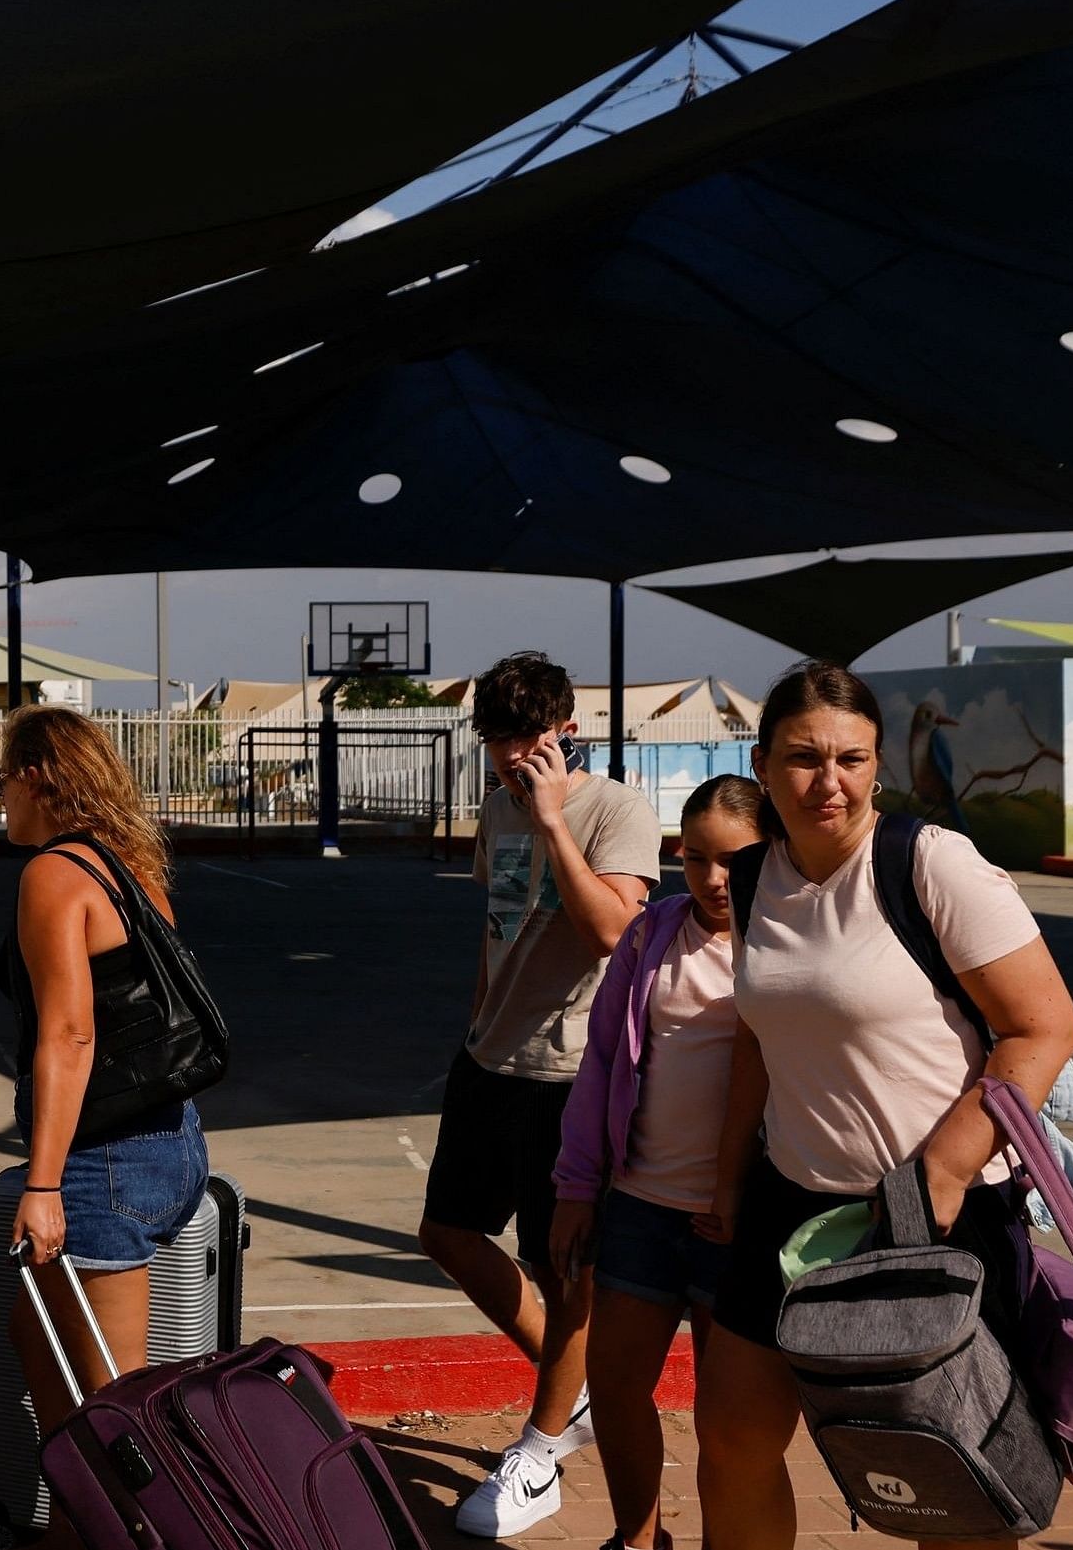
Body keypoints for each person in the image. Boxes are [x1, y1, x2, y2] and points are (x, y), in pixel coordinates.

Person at [698, 660, 1073, 1550]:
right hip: (791, 1203)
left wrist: (940, 1172)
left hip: (934, 1214)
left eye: (851, 758)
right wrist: (727, 1183)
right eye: (803, 757)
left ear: (878, 765)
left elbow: (1045, 1026)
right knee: (732, 1436)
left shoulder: (930, 863)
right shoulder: (754, 880)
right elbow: (759, 1037)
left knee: (950, 1477)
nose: (827, 780)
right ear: (761, 765)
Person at [422, 651, 664, 1541]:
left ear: (565, 730)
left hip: (572, 1075)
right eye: (497, 740)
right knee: (445, 1231)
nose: (512, 757)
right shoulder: (494, 807)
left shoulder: (615, 810)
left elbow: (612, 930)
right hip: (490, 1059)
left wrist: (557, 819)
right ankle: (577, 1387)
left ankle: (541, 1446)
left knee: (568, 1272)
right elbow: (499, 920)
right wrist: (478, 1012)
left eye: (528, 737)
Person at [0, 705, 212, 1508]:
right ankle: (73, 1527)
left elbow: (71, 1035)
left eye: (2, 777)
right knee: (35, 1333)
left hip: (104, 1161)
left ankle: (137, 1526)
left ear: (39, 776)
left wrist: (43, 1183)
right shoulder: (128, 863)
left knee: (117, 1404)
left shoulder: (53, 873)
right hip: (169, 1140)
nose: (0, 794)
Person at [546, 774, 766, 1550]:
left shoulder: (794, 942)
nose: (712, 878)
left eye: (733, 860)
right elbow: (601, 1061)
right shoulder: (651, 935)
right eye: (695, 857)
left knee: (727, 1416)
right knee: (613, 1383)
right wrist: (577, 1188)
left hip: (738, 1220)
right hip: (640, 1205)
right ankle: (637, 1537)